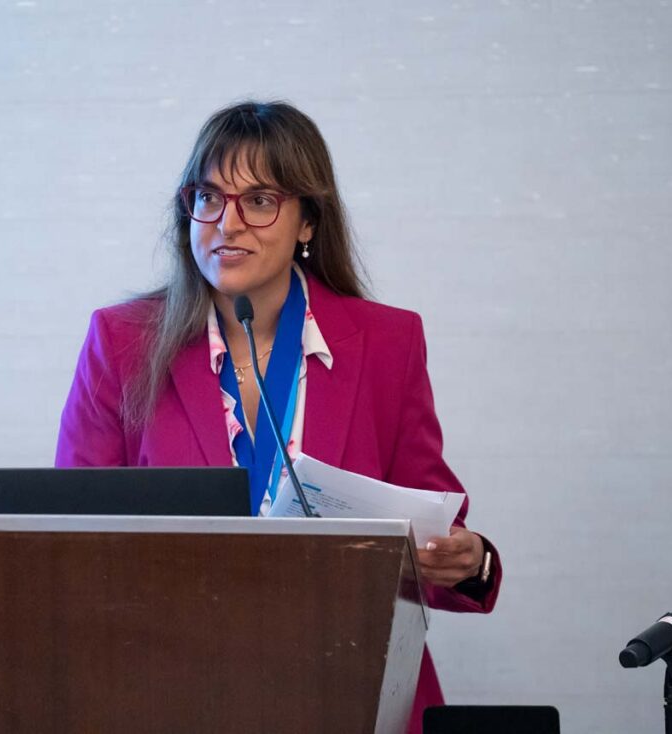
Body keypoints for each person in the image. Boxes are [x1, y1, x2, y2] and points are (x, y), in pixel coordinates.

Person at [55, 100, 501, 734]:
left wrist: (467, 559)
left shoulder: (387, 343)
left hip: (350, 684)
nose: (227, 223)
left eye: (259, 200)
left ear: (308, 220)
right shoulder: (122, 342)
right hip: (173, 688)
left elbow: (434, 525)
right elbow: (68, 537)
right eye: (209, 197)